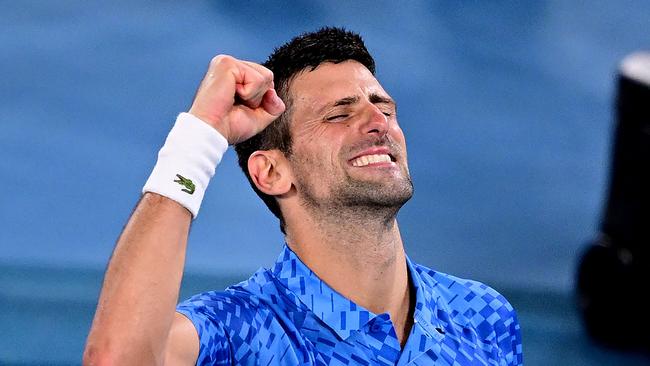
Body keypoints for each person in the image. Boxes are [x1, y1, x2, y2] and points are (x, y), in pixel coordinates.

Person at [83, 27, 523, 365]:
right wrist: (199, 137)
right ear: (271, 171)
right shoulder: (239, 330)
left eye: (384, 107)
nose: (378, 122)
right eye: (339, 114)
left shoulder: (484, 316)